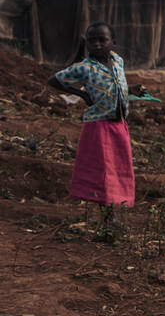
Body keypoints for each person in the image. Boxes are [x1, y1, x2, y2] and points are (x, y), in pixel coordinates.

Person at [47, 22, 136, 211]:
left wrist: (131, 93)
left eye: (102, 40)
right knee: (103, 169)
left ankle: (116, 203)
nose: (97, 44)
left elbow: (119, 85)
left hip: (119, 124)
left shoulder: (117, 61)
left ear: (113, 41)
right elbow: (54, 80)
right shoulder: (84, 68)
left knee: (119, 166)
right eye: (92, 40)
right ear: (86, 43)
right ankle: (105, 210)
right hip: (99, 125)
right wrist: (82, 94)